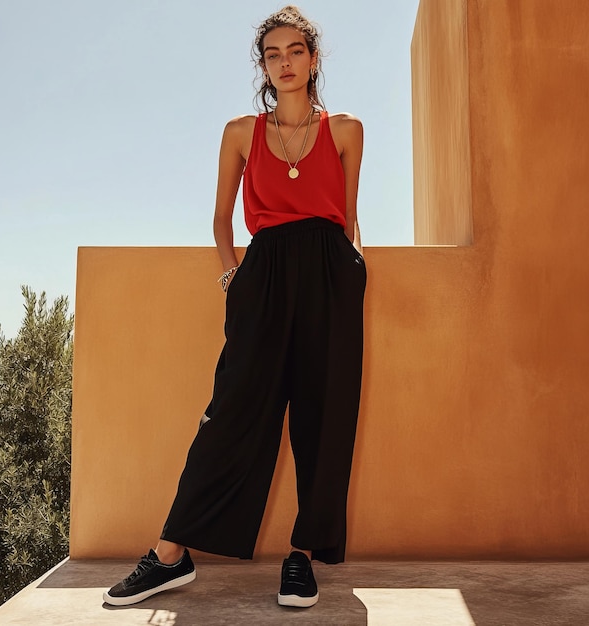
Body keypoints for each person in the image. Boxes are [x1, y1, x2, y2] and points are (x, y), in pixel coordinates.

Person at [103, 5, 366, 609]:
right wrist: (232, 275)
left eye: (295, 50)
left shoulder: (347, 130)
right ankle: (172, 553)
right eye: (273, 54)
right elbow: (222, 217)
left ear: (314, 58)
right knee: (232, 413)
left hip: (330, 274)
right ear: (263, 66)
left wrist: (355, 270)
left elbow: (349, 218)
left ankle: (302, 558)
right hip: (264, 273)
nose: (285, 62)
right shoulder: (242, 133)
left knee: (324, 420)